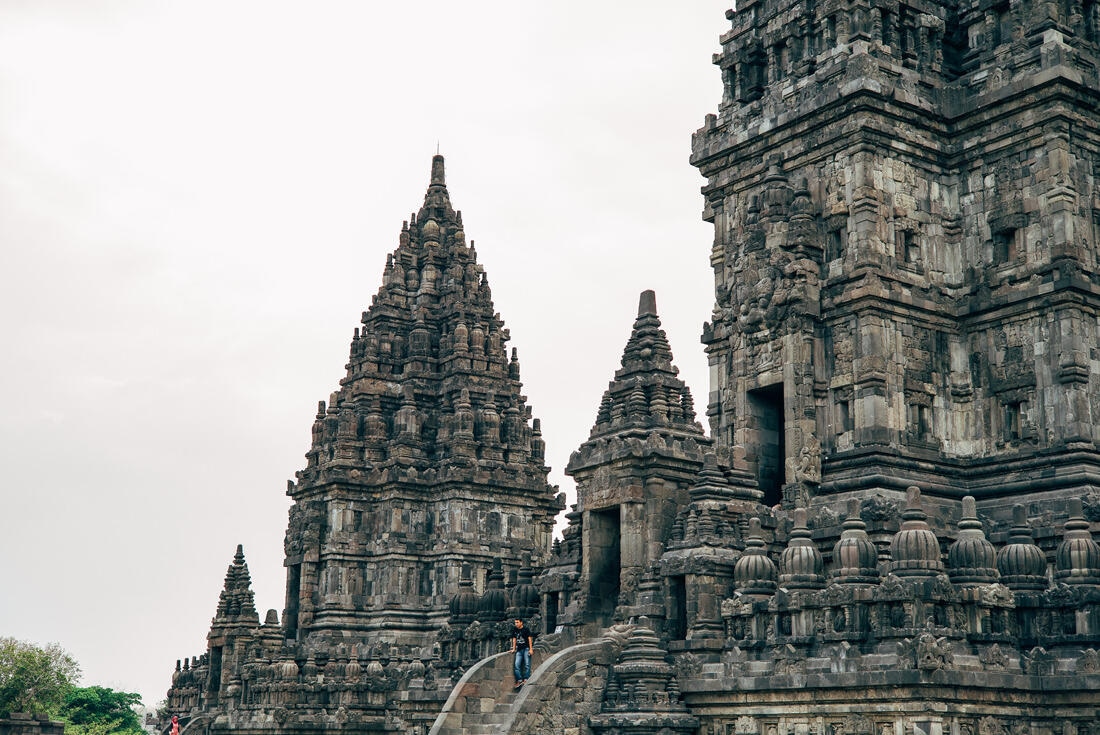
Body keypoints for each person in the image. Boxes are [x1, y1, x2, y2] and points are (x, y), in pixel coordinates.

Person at [510, 618, 533, 687]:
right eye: (515, 622)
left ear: (521, 622)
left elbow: (529, 639)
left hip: (526, 648)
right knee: (517, 665)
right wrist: (513, 649)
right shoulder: (515, 630)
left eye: (517, 622)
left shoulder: (526, 629)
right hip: (519, 649)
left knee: (527, 664)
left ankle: (526, 679)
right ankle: (519, 680)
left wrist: (531, 649)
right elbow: (514, 639)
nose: (516, 624)